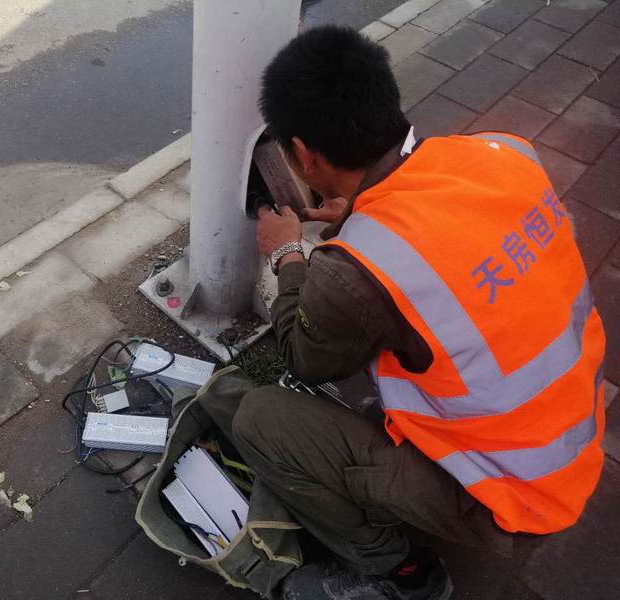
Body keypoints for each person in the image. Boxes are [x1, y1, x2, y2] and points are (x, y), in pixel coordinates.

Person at [237, 25, 607, 600]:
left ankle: (400, 573)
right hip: (571, 443)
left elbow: (302, 355)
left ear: (304, 155)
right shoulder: (504, 152)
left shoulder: (356, 272)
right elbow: (444, 246)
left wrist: (286, 254)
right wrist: (357, 214)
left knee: (261, 418)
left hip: (512, 495)